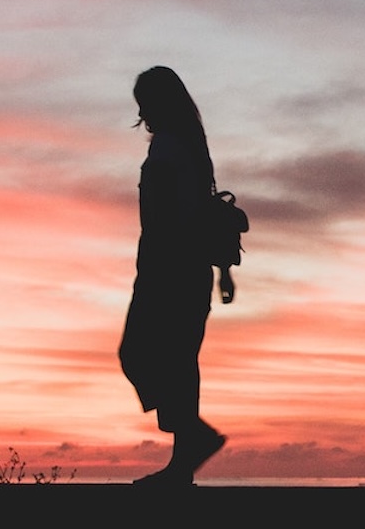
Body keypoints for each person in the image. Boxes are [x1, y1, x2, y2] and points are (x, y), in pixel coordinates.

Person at [119, 66, 228, 487]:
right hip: (182, 267)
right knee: (177, 362)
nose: (142, 111)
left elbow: (176, 215)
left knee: (144, 355)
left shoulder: (171, 147)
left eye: (145, 102)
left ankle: (190, 446)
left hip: (168, 268)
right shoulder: (188, 147)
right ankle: (183, 460)